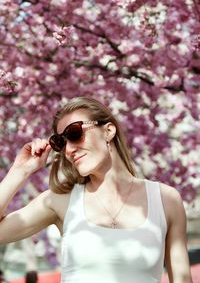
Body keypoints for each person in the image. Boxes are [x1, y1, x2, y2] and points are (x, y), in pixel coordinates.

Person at [0, 97, 193, 283]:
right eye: (62, 142)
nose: (69, 149)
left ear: (108, 131)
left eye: (74, 133)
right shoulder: (60, 201)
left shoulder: (166, 200)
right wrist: (20, 171)